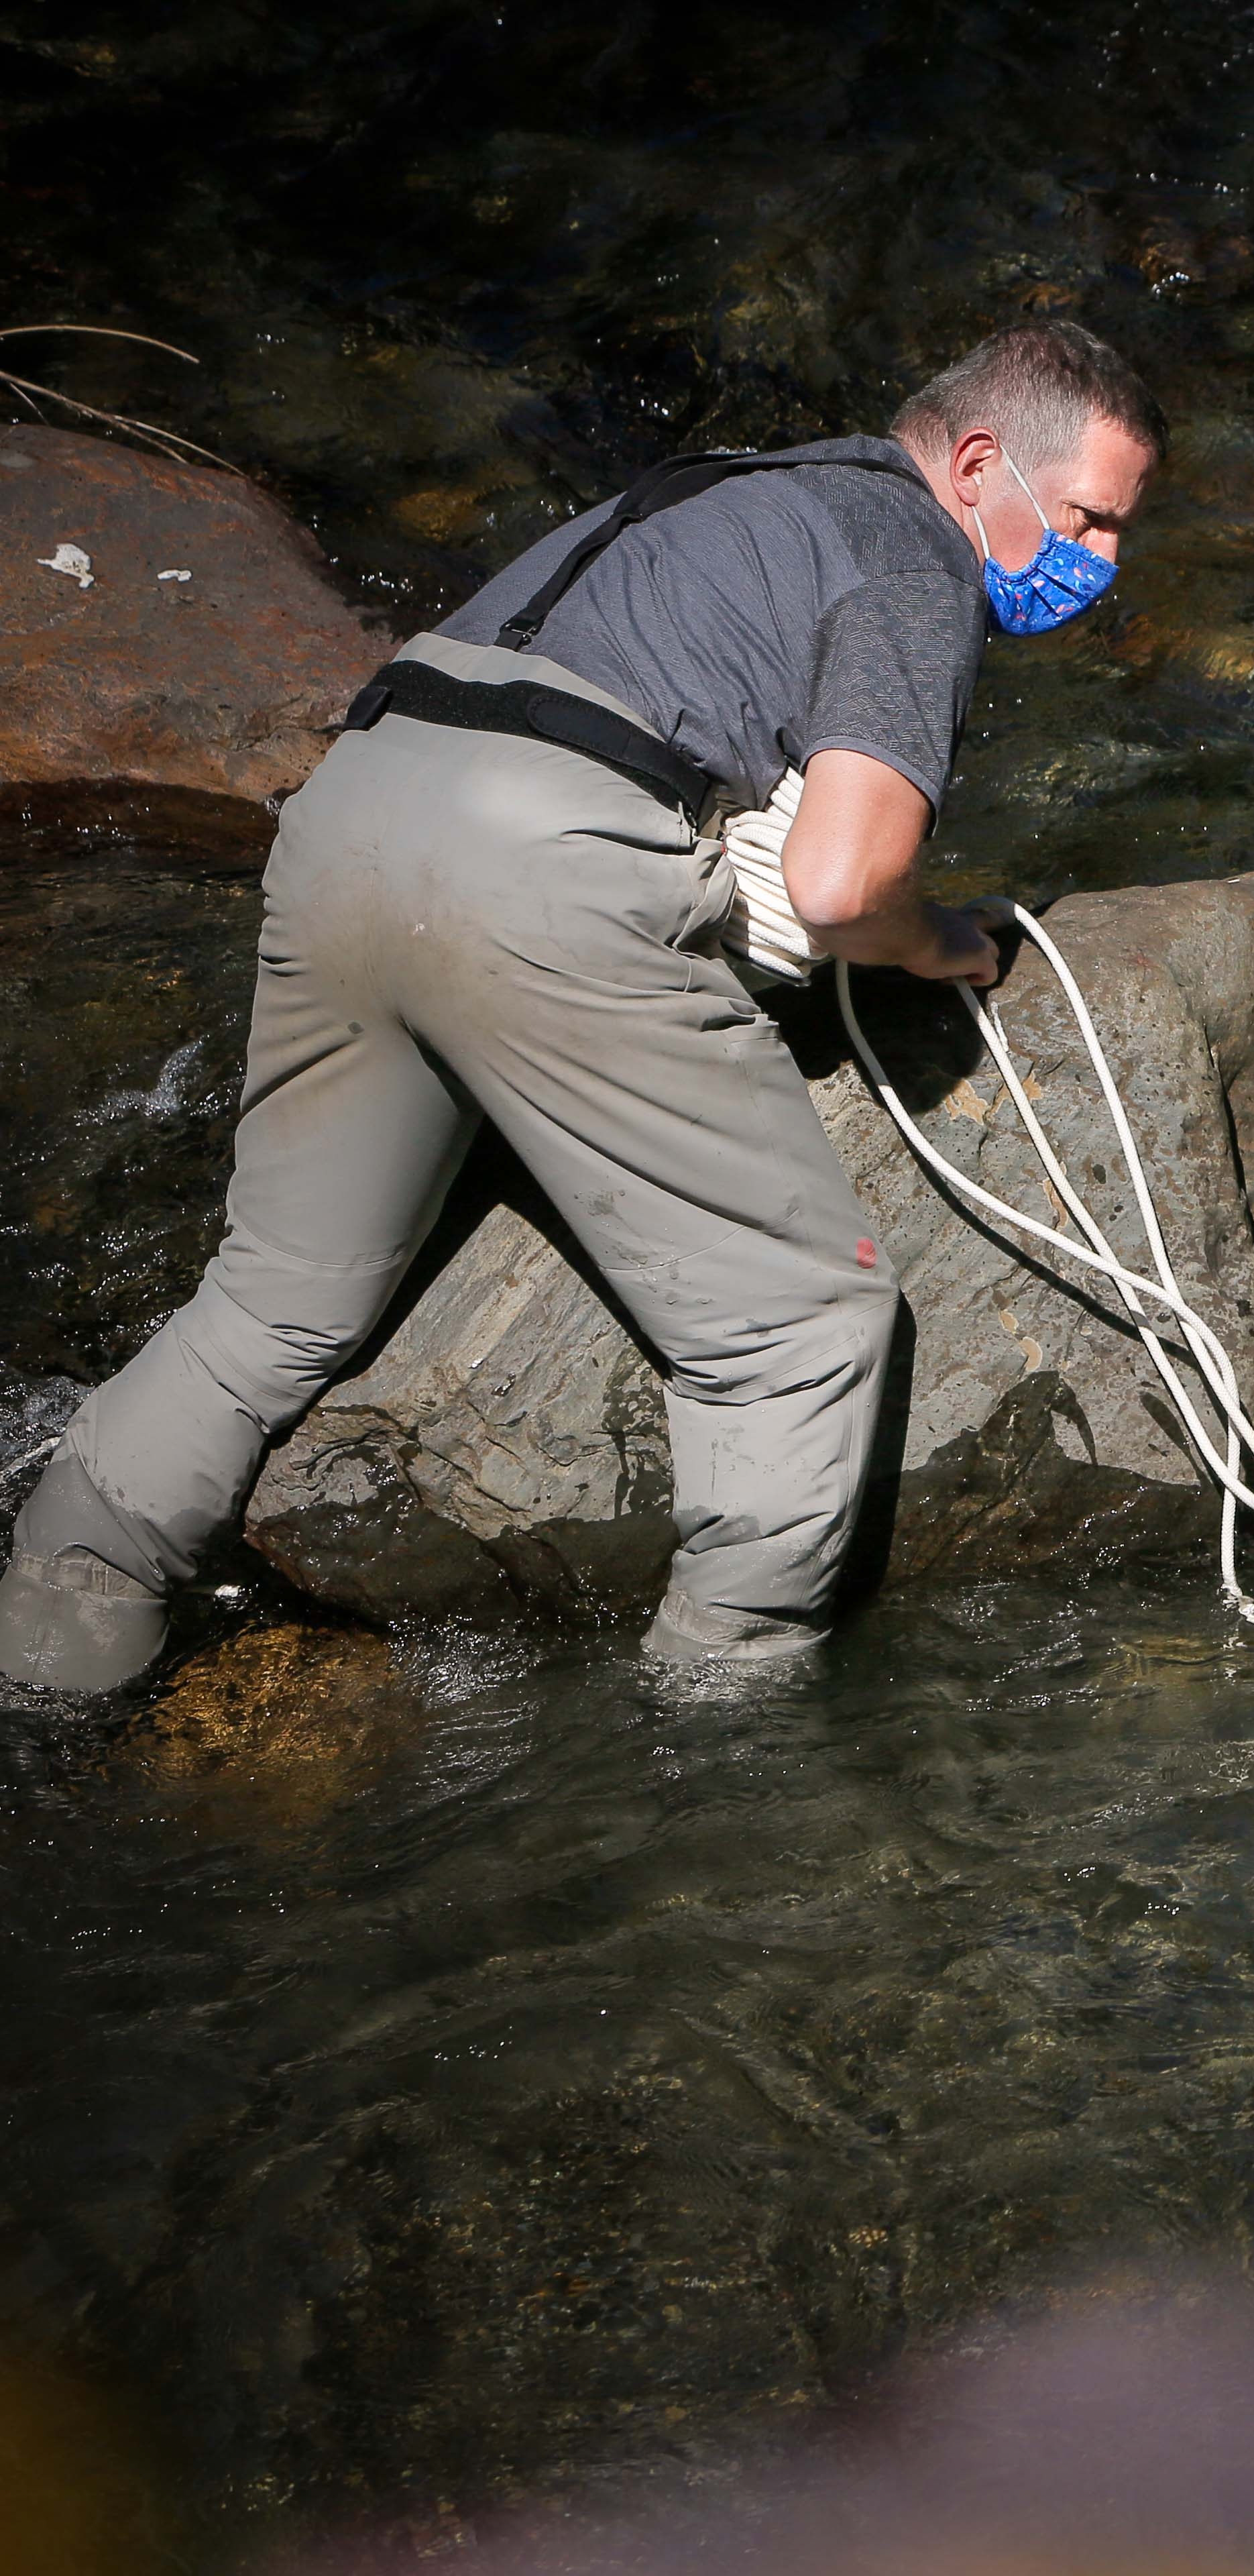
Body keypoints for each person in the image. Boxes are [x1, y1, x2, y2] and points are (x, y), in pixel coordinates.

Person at [0, 320, 1163, 1690]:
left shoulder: (719, 488)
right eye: (1089, 518)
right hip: (542, 868)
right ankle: (718, 1757)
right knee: (797, 1331)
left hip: (348, 816)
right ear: (978, 463)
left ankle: (45, 1656)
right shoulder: (916, 553)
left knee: (275, 1304)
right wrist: (935, 945)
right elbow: (844, 883)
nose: (1106, 561)